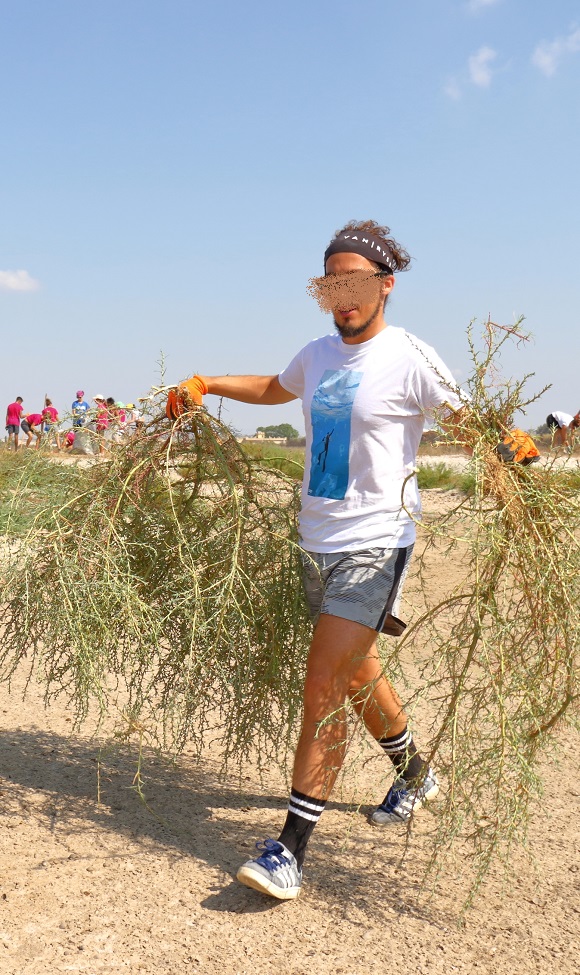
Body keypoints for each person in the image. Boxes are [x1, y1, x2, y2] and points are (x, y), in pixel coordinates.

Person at [167, 220, 465, 900]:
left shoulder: (411, 357)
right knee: (356, 671)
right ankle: (416, 773)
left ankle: (289, 848)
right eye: (331, 283)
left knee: (323, 681)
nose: (342, 295)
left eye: (355, 282)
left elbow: (467, 420)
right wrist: (207, 382)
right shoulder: (317, 354)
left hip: (376, 539)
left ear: (385, 285)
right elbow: (277, 387)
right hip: (317, 539)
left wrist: (511, 449)